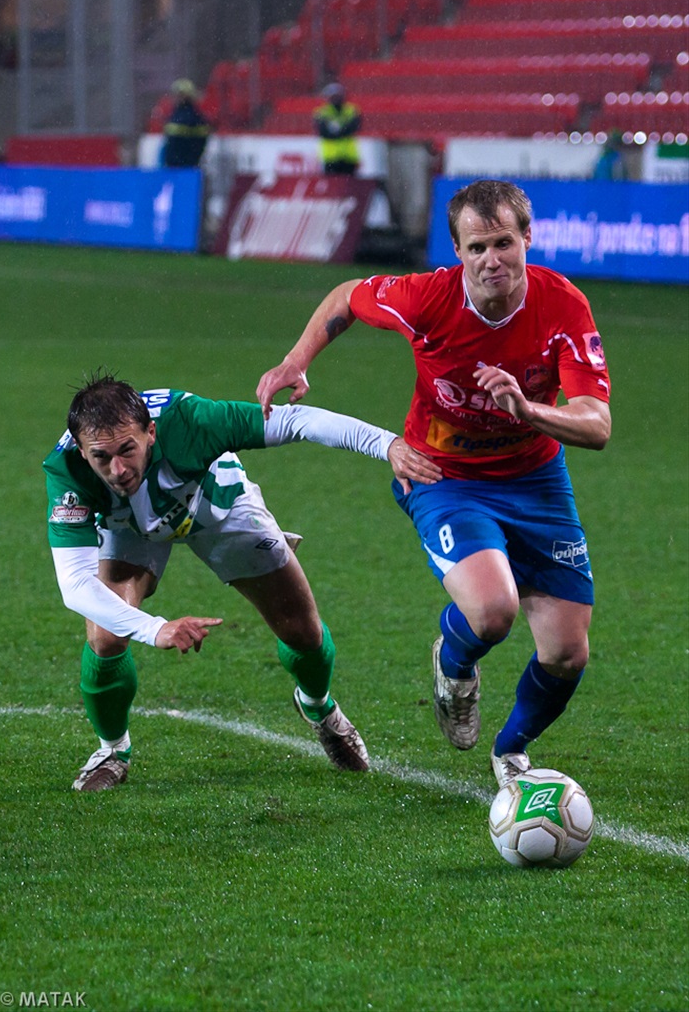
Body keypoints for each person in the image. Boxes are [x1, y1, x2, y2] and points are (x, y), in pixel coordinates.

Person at [257, 179, 611, 789]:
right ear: (457, 250)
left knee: (566, 652)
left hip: (536, 480)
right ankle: (454, 666)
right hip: (443, 474)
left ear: (528, 238)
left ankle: (511, 752)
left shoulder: (564, 307)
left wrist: (529, 411)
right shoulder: (425, 299)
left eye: (504, 243)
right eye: (476, 248)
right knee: (494, 610)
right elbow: (348, 296)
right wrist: (297, 359)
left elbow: (597, 424)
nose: (491, 260)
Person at [44, 374, 440, 792]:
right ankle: (111, 749)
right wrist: (155, 629)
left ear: (151, 432)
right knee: (106, 637)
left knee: (302, 631)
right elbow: (75, 584)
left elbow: (296, 421)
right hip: (127, 527)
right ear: (81, 449)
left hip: (214, 504)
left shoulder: (192, 421)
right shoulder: (67, 470)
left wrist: (386, 444)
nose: (118, 469)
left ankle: (319, 706)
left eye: (128, 449)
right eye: (101, 457)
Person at [313, 82, 362, 176]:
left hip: (349, 156)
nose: (336, 99)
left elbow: (355, 127)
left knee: (349, 186)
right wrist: (342, 131)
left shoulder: (352, 110)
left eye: (338, 95)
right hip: (330, 157)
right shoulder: (321, 112)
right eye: (333, 96)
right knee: (333, 186)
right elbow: (322, 132)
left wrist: (335, 132)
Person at [160, 78, 210, 168]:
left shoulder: (184, 117)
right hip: (189, 166)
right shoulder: (196, 116)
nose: (174, 98)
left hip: (181, 168)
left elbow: (176, 145)